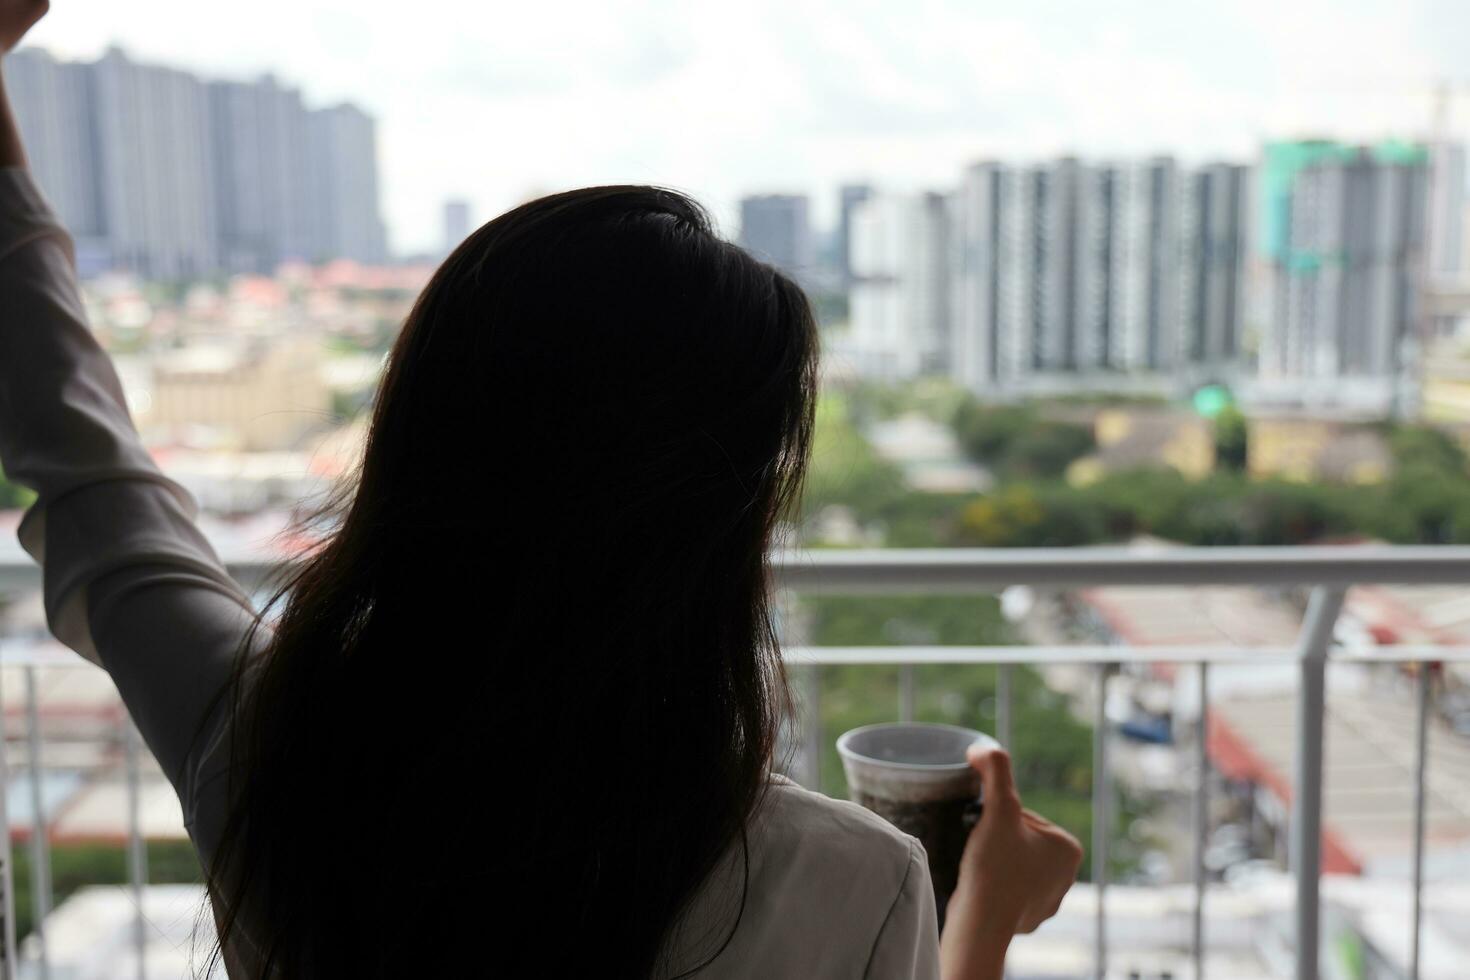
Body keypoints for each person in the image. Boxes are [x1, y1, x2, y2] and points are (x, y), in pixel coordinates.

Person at [0, 3, 1081, 977]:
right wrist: (975, 919)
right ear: (732, 531)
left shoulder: (262, 748)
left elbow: (92, 478)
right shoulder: (848, 878)